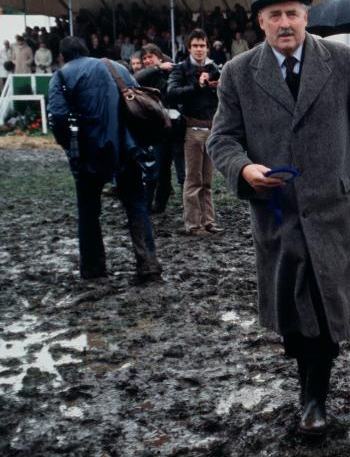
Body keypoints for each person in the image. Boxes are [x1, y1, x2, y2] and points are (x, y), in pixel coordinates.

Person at [207, 0, 350, 437]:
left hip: (338, 208)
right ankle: (309, 393)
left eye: (293, 13)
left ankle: (315, 400)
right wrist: (244, 169)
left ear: (306, 17)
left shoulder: (342, 58)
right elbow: (222, 139)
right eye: (275, 15)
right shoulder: (237, 73)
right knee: (296, 309)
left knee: (325, 302)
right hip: (278, 213)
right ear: (260, 22)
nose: (285, 22)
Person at [46, 36, 163, 284]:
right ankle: (149, 266)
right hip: (126, 149)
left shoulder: (62, 75)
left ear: (62, 56)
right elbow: (138, 102)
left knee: (89, 212)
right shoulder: (117, 67)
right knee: (136, 206)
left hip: (88, 152)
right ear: (87, 50)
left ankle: (94, 269)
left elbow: (57, 115)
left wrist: (69, 145)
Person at [167, 28, 221, 235]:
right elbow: (171, 93)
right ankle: (192, 223)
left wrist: (218, 87)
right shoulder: (180, 68)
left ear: (207, 47)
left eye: (202, 45)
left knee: (207, 179)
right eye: (195, 45)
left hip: (211, 129)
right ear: (189, 48)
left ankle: (208, 220)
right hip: (191, 129)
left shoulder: (215, 68)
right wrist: (196, 87)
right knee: (193, 179)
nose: (199, 49)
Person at [136, 44, 180, 214]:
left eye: (150, 57)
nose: (147, 60)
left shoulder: (170, 73)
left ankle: (159, 205)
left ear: (160, 57)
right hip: (149, 130)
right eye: (145, 58)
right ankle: (146, 206)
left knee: (164, 169)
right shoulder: (146, 75)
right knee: (150, 170)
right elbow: (136, 78)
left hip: (168, 129)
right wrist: (156, 67)